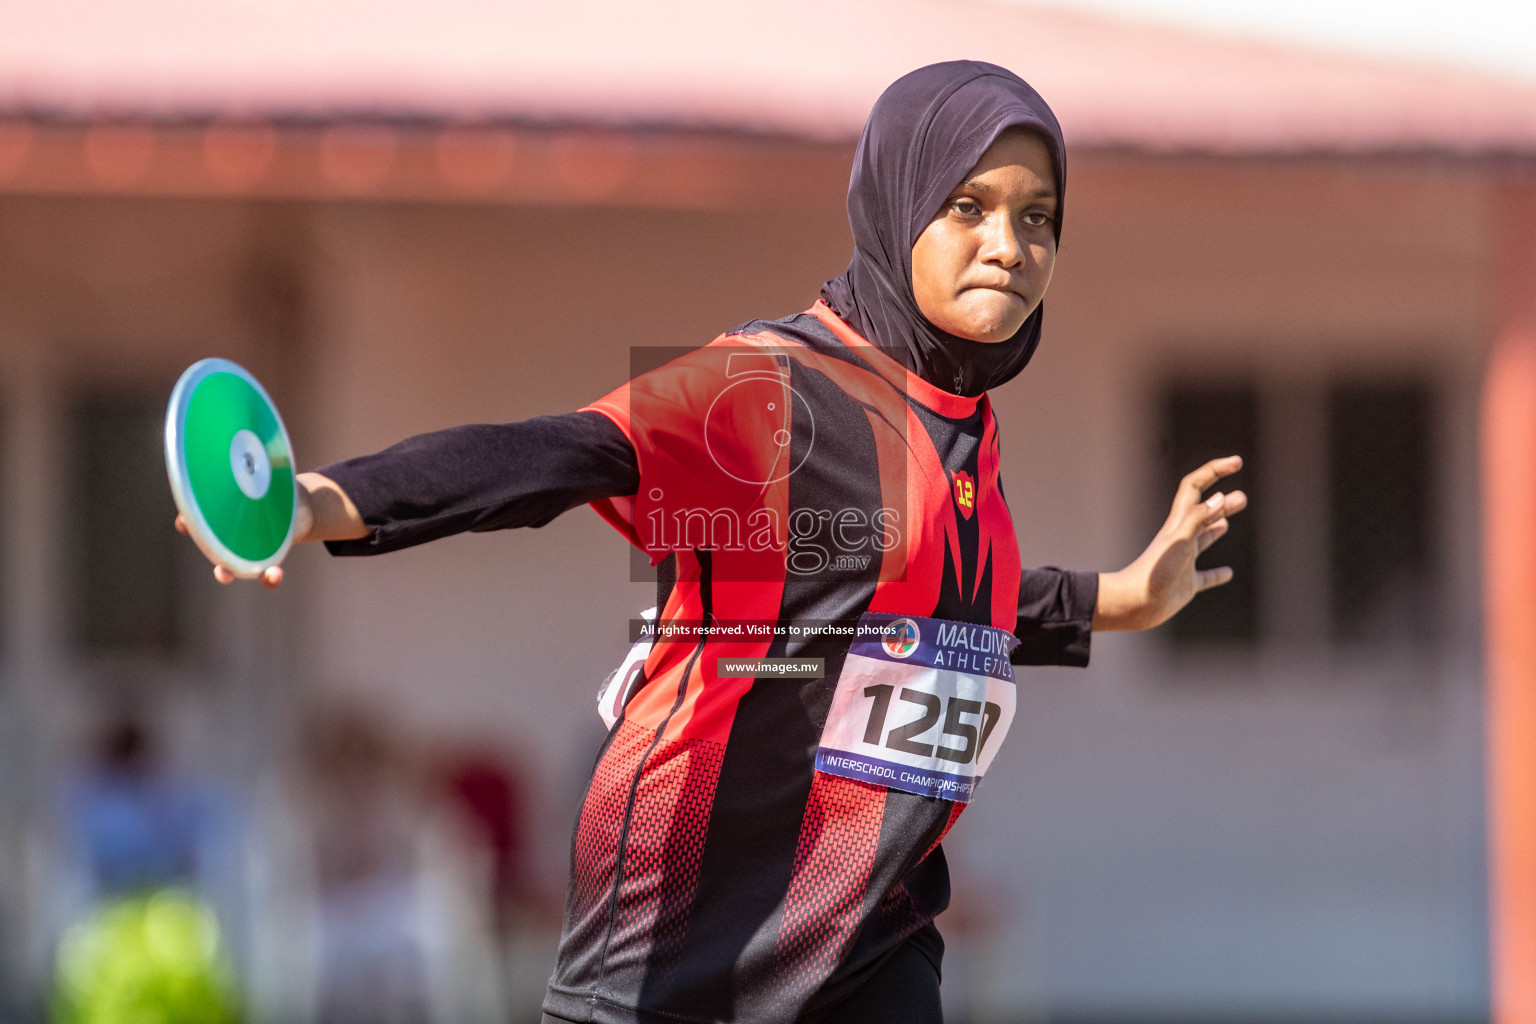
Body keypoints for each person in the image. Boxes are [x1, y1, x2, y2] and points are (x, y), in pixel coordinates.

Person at [177, 60, 1246, 1024]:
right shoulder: (770, 393)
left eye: (1039, 217)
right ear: (895, 203)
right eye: (968, 207)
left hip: (875, 937)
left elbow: (938, 600)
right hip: (682, 947)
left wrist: (1123, 595)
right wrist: (320, 502)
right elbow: (557, 454)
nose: (1010, 246)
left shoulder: (963, 421)